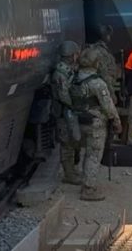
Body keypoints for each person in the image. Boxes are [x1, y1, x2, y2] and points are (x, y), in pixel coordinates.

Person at [70, 47, 122, 201]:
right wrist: (116, 122)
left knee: (79, 151)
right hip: (95, 123)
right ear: (97, 63)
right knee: (93, 155)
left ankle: (75, 175)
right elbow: (108, 106)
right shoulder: (98, 83)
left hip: (75, 120)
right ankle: (89, 189)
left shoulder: (73, 78)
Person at [51, 41, 82, 185]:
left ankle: (71, 171)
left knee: (72, 141)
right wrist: (76, 105)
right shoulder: (62, 73)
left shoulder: (65, 69)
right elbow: (64, 96)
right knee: (67, 144)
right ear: (72, 56)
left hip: (67, 111)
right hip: (65, 112)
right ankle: (69, 174)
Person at [90, 25, 119, 103]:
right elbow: (104, 73)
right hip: (104, 86)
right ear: (104, 36)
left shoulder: (101, 49)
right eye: (108, 35)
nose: (110, 38)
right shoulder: (100, 51)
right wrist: (111, 94)